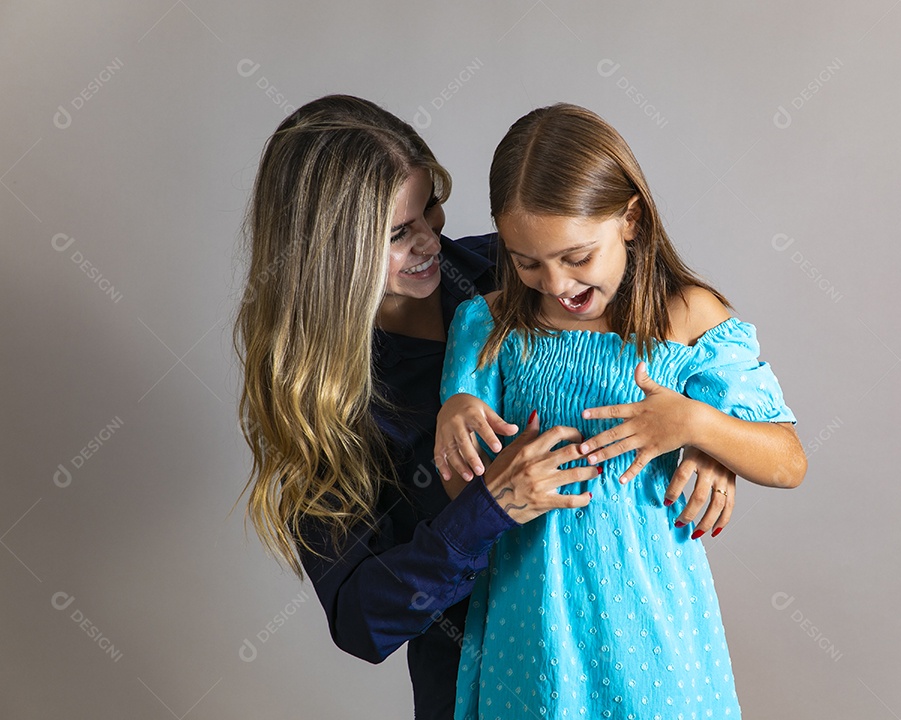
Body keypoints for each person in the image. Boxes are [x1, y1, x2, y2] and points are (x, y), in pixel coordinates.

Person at [232, 94, 741, 720]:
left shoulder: (513, 270)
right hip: (484, 688)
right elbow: (361, 621)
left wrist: (710, 434)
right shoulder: (318, 400)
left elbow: (675, 337)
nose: (430, 241)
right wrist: (488, 510)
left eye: (431, 209)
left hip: (628, 659)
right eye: (398, 234)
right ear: (331, 252)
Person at [436, 103, 807, 719]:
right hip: (531, 630)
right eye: (527, 262)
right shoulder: (487, 324)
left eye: (576, 257)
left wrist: (696, 424)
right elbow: (459, 493)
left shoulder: (689, 317)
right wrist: (454, 413)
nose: (555, 284)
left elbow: (788, 461)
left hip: (655, 633)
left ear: (630, 219)